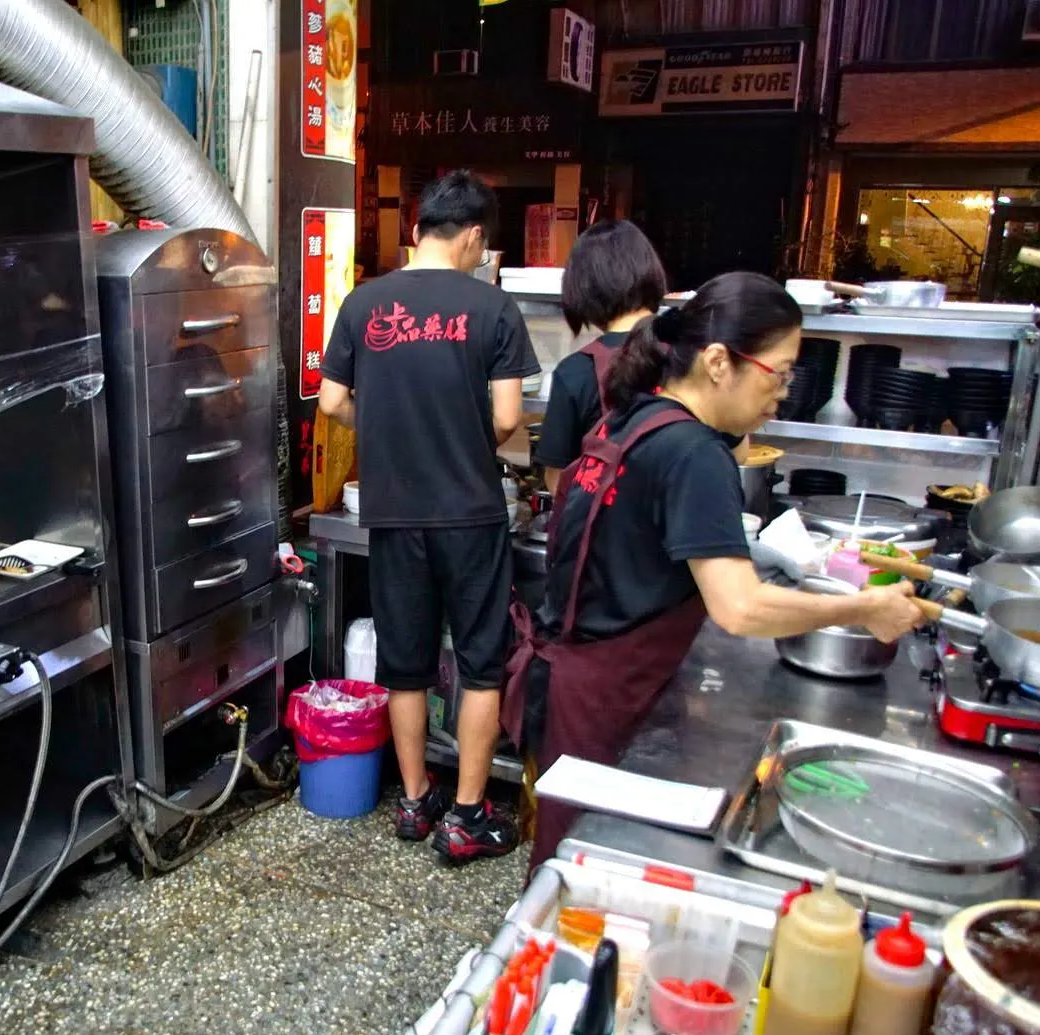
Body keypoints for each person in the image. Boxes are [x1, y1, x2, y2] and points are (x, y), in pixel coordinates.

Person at [502, 272, 925, 872]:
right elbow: (740, 607)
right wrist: (863, 608)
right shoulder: (693, 454)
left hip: (575, 679)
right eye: (779, 371)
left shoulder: (632, 418)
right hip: (607, 701)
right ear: (719, 362)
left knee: (569, 860)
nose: (783, 390)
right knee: (590, 872)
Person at [318, 171, 540, 863]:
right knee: (479, 663)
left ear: (419, 230)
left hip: (393, 511)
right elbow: (507, 418)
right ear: (474, 235)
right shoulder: (493, 309)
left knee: (404, 663)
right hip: (470, 512)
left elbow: (330, 404)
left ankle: (414, 801)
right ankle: (468, 814)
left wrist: (381, 424)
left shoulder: (362, 303)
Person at [535, 220, 669, 491]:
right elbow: (736, 451)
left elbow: (557, 480)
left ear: (583, 289)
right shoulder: (699, 355)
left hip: (609, 530)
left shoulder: (575, 372)